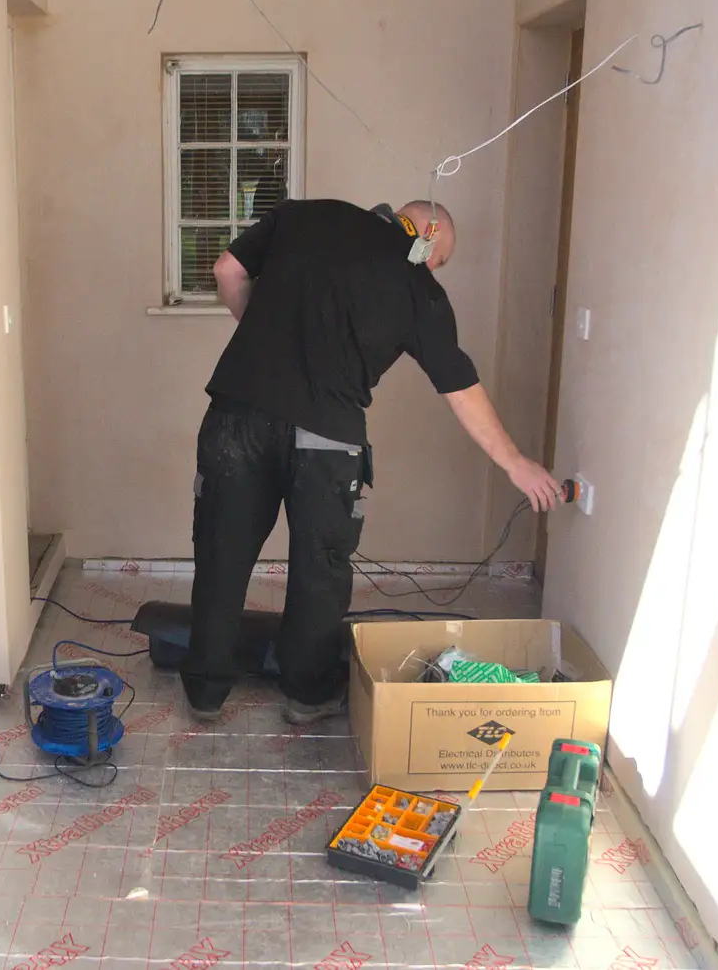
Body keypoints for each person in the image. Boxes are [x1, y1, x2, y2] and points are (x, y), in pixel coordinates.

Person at [183, 198, 563, 725]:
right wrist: (514, 462)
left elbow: (228, 270)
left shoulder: (305, 216)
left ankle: (204, 693)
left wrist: (261, 336)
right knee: (320, 570)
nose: (435, 269)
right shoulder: (418, 286)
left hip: (236, 418)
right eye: (440, 258)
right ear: (428, 239)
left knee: (222, 551)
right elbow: (459, 385)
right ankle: (306, 696)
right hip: (327, 438)